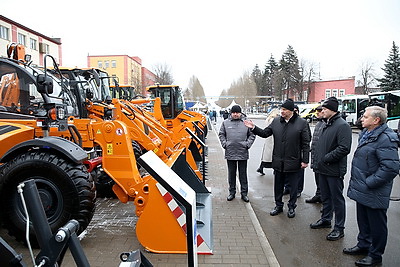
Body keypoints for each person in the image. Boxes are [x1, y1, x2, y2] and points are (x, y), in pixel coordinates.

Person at [343, 106, 399, 266]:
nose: (361, 119)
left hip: (374, 190)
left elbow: (391, 168)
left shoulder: (386, 138)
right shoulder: (367, 134)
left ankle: (375, 256)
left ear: (376, 120)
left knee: (377, 225)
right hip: (363, 189)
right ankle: (363, 245)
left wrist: (370, 182)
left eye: (365, 117)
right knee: (364, 221)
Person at [244, 99, 311, 218]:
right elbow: (265, 133)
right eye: (281, 109)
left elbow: (306, 143)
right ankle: (278, 205)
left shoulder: (302, 123)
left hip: (293, 161)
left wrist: (305, 160)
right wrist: (254, 127)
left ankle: (291, 207)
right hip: (278, 161)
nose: (282, 111)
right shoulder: (276, 122)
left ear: (291, 111)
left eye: (284, 109)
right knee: (278, 185)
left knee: (293, 187)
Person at [310, 96, 352, 241]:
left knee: (337, 200)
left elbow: (344, 148)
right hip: (322, 169)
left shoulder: (342, 126)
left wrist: (327, 158)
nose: (322, 110)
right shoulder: (325, 124)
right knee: (326, 198)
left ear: (333, 110)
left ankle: (339, 228)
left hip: (334, 170)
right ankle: (326, 219)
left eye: (325, 108)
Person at [219, 105, 255, 202]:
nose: (235, 114)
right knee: (231, 174)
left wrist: (247, 144)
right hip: (230, 152)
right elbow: (221, 134)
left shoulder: (246, 123)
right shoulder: (225, 123)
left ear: (240, 113)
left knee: (243, 174)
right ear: (231, 113)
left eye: (237, 112)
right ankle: (232, 192)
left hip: (242, 152)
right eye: (234, 112)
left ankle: (244, 194)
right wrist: (224, 144)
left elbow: (252, 134)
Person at [305, 105, 324, 204]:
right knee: (317, 178)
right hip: (315, 156)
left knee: (324, 181)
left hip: (323, 158)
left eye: (319, 111)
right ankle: (319, 195)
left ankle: (326, 200)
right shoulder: (319, 124)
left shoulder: (327, 124)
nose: (317, 113)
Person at [256, 108, 279, 175]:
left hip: (268, 138)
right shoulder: (273, 120)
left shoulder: (268, 119)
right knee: (272, 155)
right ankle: (275, 169)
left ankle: (261, 167)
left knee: (266, 155)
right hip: (273, 138)